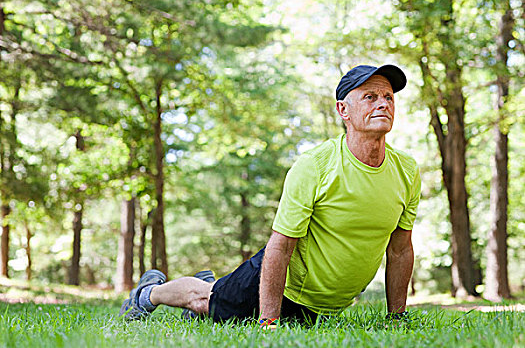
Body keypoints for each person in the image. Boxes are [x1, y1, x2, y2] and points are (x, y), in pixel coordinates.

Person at [119, 64, 421, 328]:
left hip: (321, 306)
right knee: (205, 301)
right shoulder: (315, 166)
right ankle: (149, 293)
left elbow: (399, 250)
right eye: (370, 97)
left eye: (388, 97)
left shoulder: (405, 170)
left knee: (215, 301)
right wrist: (269, 321)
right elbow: (280, 246)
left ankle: (211, 286)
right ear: (344, 110)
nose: (383, 104)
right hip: (278, 285)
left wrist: (397, 317)